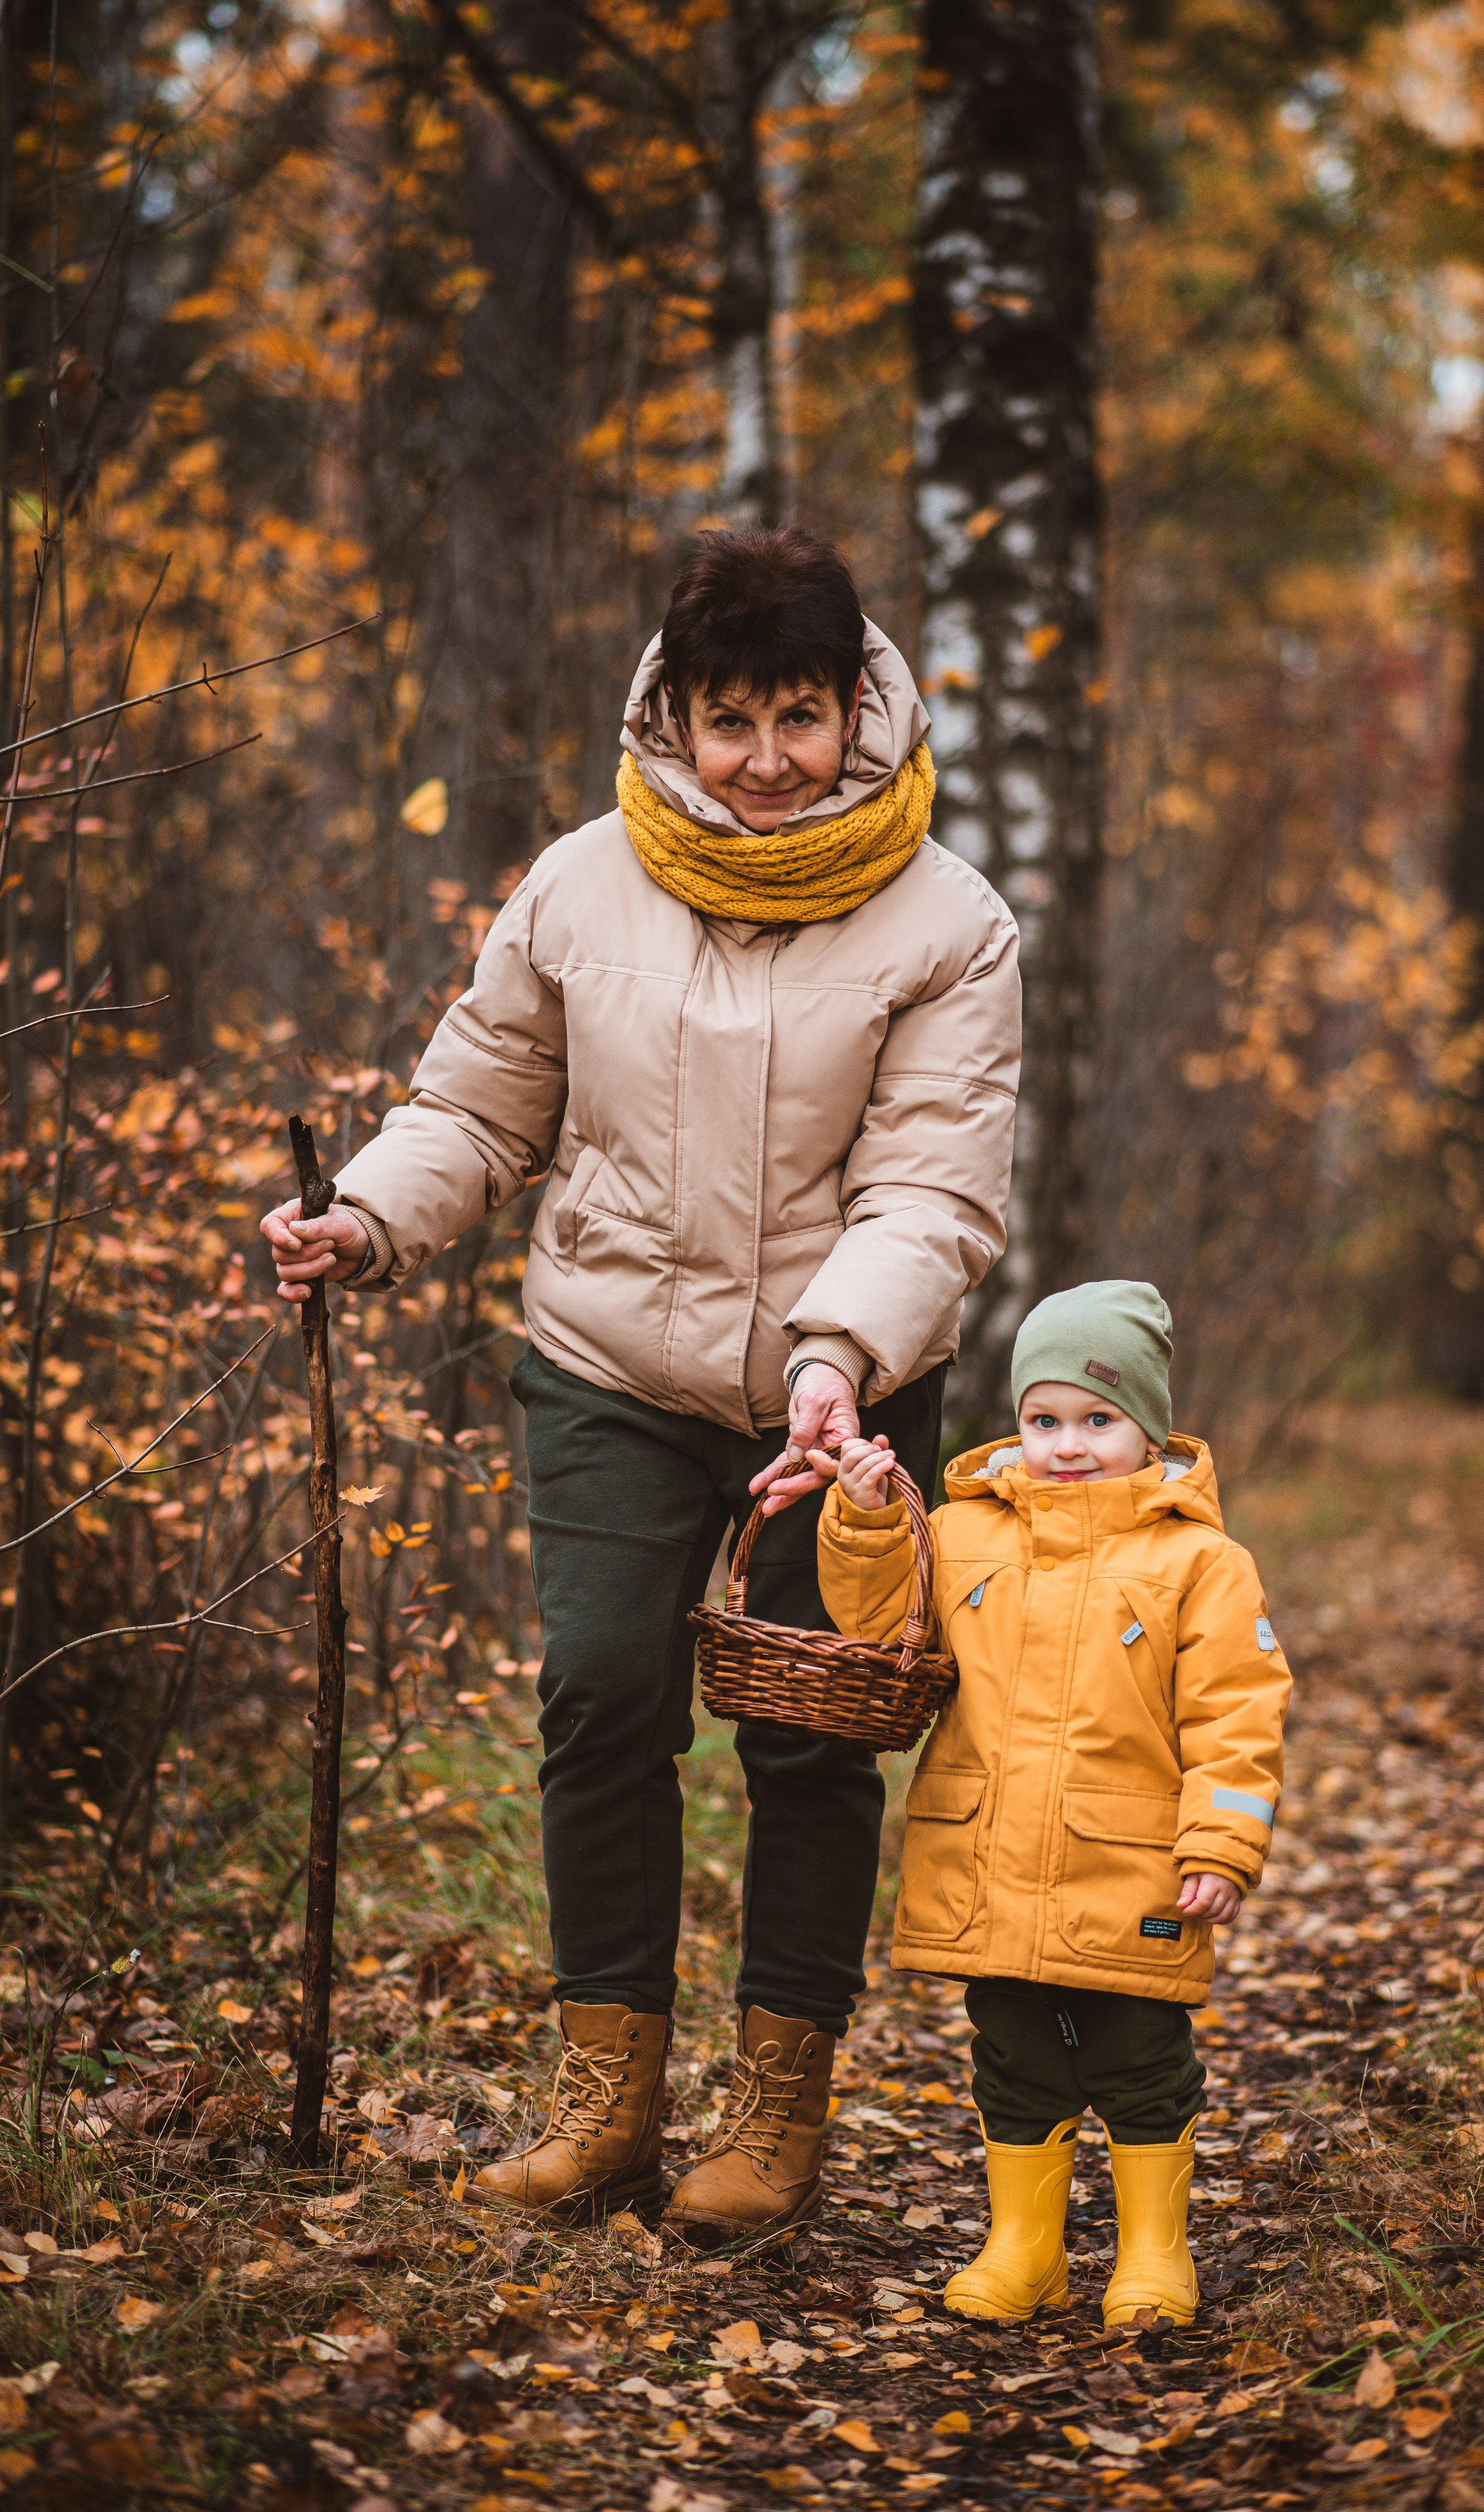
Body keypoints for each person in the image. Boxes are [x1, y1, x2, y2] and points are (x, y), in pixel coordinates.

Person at [260, 527, 1020, 2247]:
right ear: (674, 713)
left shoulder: (950, 921)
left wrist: (835, 1358)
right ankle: (604, 2095)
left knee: (811, 1737)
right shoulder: (579, 882)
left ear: (860, 710)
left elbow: (935, 1190)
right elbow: (478, 1108)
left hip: (852, 1393)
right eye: (730, 719)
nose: (765, 762)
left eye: (800, 717)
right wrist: (368, 1213)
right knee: (602, 1695)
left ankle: (775, 2102)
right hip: (607, 1361)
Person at [815, 1280, 1290, 2327]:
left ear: (1148, 1426)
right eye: (1044, 1419)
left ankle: (1155, 2252)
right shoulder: (966, 1532)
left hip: (1133, 1864)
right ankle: (1025, 2247)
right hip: (988, 1854)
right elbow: (883, 1623)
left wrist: (1222, 1841)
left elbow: (1237, 1715)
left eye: (1098, 1420)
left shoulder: (1200, 1563)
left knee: (1137, 2056)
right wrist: (864, 1518)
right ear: (1018, 1419)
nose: (1067, 1444)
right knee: (1014, 2053)